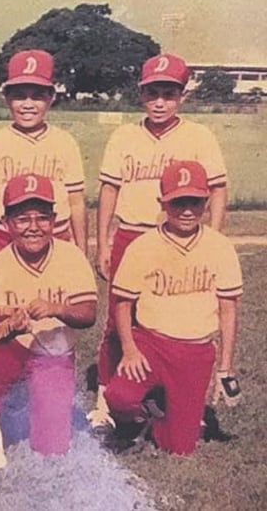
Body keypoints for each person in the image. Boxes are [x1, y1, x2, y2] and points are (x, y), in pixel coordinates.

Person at [91, 53, 228, 429]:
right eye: (153, 92)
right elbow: (109, 190)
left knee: (180, 315)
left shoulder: (199, 136)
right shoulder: (124, 136)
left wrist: (211, 238)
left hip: (181, 237)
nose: (160, 101)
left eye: (168, 93)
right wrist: (103, 242)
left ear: (181, 96)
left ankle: (179, 397)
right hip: (133, 232)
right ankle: (106, 396)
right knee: (118, 319)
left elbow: (217, 189)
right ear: (141, 94)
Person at [103, 161, 242, 455]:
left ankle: (162, 410)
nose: (187, 210)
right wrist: (129, 348)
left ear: (206, 202)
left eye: (195, 201)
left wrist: (225, 367)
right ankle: (147, 406)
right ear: (162, 203)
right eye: (178, 202)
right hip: (151, 343)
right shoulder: (143, 245)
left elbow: (228, 310)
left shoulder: (219, 246)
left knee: (179, 448)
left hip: (196, 351)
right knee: (119, 398)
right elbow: (123, 303)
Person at [0, 173, 97, 469]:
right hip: (15, 350)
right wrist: (9, 325)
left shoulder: (70, 255)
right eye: (22, 219)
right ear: (6, 223)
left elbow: (89, 313)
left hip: (54, 356)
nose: (33, 228)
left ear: (54, 220)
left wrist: (57, 308)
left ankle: (26, 408)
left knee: (52, 449)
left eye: (42, 218)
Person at [0, 49, 87, 275]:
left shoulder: (65, 142)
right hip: (6, 237)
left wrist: (81, 254)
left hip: (56, 236)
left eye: (37, 96)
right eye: (19, 96)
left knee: (55, 303)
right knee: (8, 306)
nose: (28, 104)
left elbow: (76, 203)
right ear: (6, 98)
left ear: (51, 98)